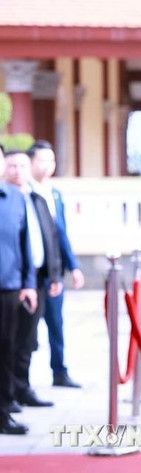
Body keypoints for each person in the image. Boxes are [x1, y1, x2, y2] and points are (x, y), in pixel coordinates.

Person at [4, 150, 62, 411]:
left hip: (36, 277)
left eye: (22, 166)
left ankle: (22, 387)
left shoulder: (37, 198)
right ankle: (9, 393)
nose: (17, 170)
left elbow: (51, 237)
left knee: (28, 339)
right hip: (12, 280)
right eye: (12, 165)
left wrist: (54, 273)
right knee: (10, 339)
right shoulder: (7, 200)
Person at [29, 140, 84, 388]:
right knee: (26, 332)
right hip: (30, 275)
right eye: (42, 160)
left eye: (51, 160)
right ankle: (22, 383)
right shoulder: (25, 193)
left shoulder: (54, 193)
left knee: (56, 325)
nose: (47, 165)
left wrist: (73, 267)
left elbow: (61, 233)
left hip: (54, 272)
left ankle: (59, 371)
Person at [0, 145, 37, 435]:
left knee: (6, 350)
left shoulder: (14, 198)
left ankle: (3, 412)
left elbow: (25, 246)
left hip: (8, 289)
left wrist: (29, 285)